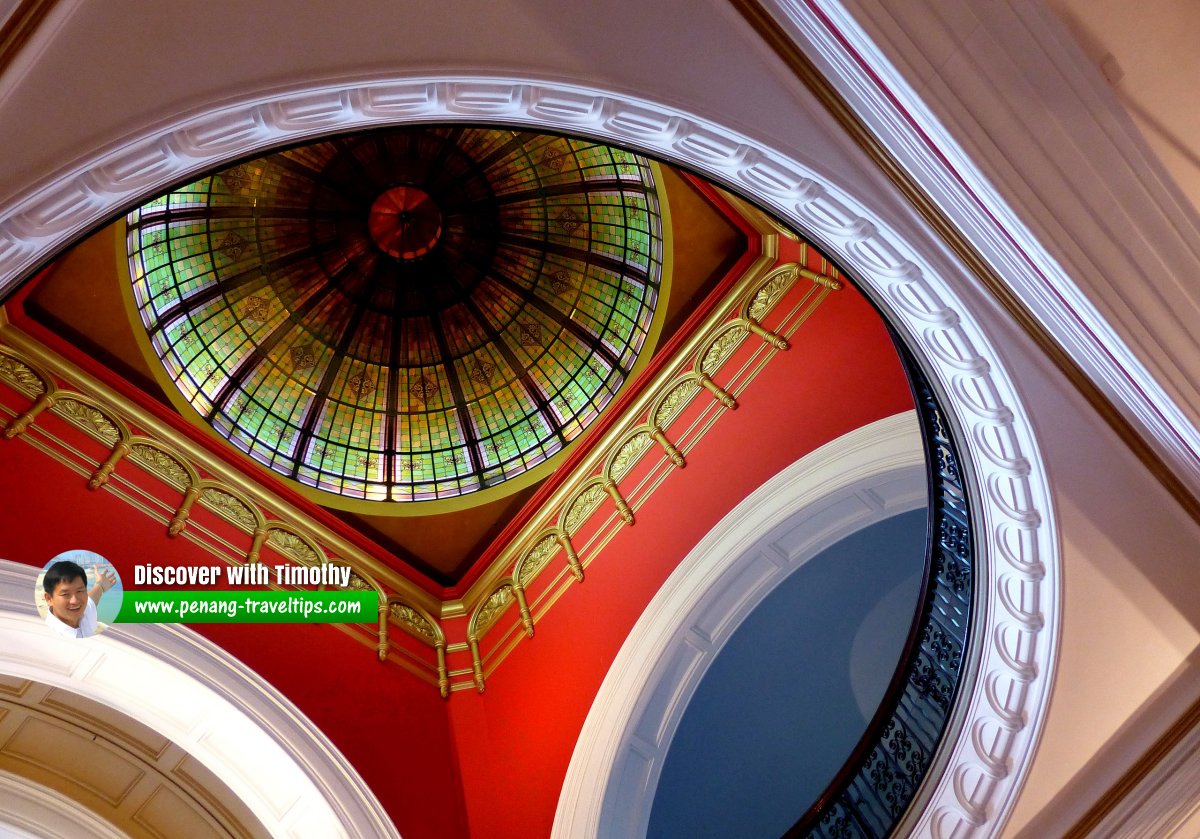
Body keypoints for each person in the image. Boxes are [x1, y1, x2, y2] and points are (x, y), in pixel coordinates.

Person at [42, 560, 116, 638]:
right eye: (65, 594)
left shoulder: (85, 612)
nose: (75, 601)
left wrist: (100, 585)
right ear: (49, 598)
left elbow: (92, 599)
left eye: (79, 591)